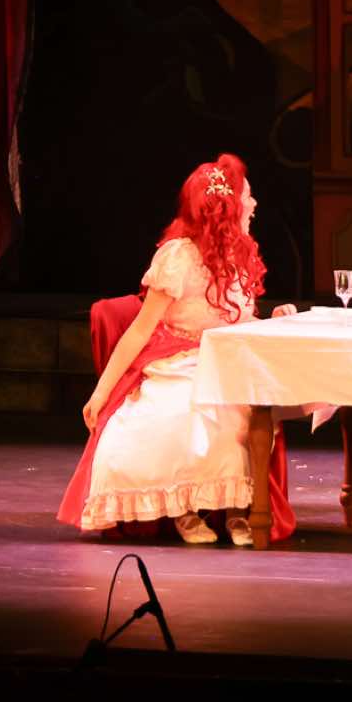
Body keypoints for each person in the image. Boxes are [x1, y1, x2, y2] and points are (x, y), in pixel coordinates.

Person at [58, 155, 295, 544]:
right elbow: (139, 330)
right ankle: (186, 509)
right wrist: (101, 392)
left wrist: (275, 319)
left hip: (228, 360)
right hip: (180, 358)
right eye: (247, 197)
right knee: (183, 415)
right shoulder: (179, 257)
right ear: (227, 208)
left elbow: (239, 322)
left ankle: (239, 510)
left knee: (245, 417)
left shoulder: (241, 256)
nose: (254, 204)